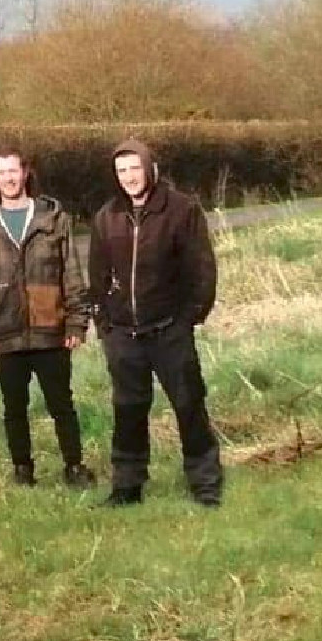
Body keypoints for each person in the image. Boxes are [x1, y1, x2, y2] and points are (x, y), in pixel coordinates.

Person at [86, 138, 224, 507]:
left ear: (150, 169)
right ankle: (127, 486)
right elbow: (97, 277)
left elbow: (202, 269)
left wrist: (189, 317)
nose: (129, 177)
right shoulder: (106, 217)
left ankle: (205, 482)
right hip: (123, 335)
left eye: (135, 168)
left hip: (169, 330)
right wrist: (105, 323)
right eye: (121, 171)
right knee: (128, 410)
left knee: (189, 404)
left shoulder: (181, 210)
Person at [0, 147, 94, 488]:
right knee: (14, 407)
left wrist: (76, 321)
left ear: (24, 173)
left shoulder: (54, 220)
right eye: (2, 172)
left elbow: (71, 273)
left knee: (61, 403)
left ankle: (74, 466)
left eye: (14, 171)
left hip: (50, 328)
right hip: (5, 331)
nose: (9, 178)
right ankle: (23, 468)